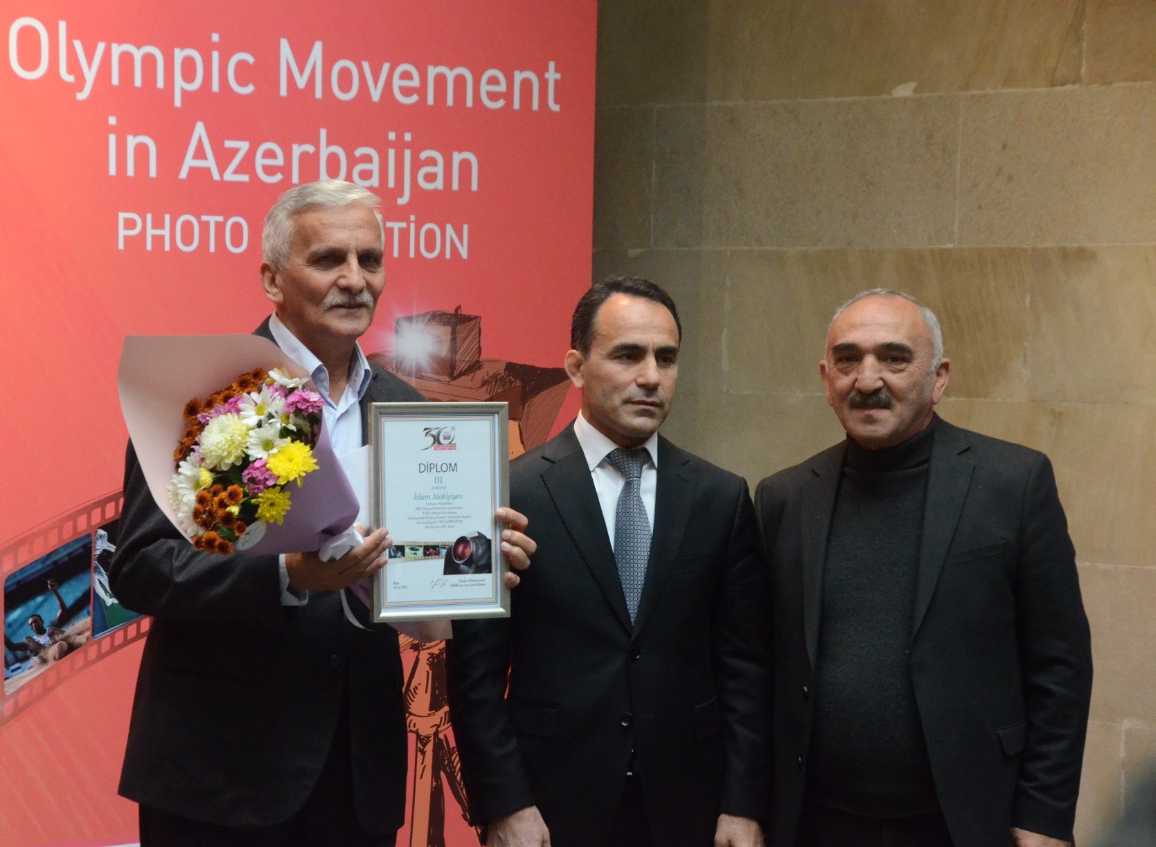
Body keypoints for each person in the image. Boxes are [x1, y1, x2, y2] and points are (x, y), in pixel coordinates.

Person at [109, 180, 536, 847]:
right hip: (217, 773)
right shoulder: (215, 391)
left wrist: (476, 561)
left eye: (370, 260)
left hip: (356, 775)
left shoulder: (411, 414)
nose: (355, 279)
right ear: (271, 277)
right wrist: (288, 575)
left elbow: (414, 583)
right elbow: (140, 567)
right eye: (329, 259)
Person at [755, 289, 1092, 847]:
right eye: (848, 359)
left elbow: (1060, 665)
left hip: (965, 820)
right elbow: (759, 667)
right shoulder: (783, 497)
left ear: (938, 378)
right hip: (817, 822)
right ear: (825, 377)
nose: (867, 380)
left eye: (894, 358)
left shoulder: (1014, 483)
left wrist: (1044, 817)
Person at [447, 277, 771, 847]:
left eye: (665, 358)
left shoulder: (720, 498)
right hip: (549, 806)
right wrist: (505, 804)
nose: (651, 376)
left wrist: (743, 805)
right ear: (576, 366)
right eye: (628, 355)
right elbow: (474, 676)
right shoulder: (503, 494)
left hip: (689, 804)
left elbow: (744, 668)